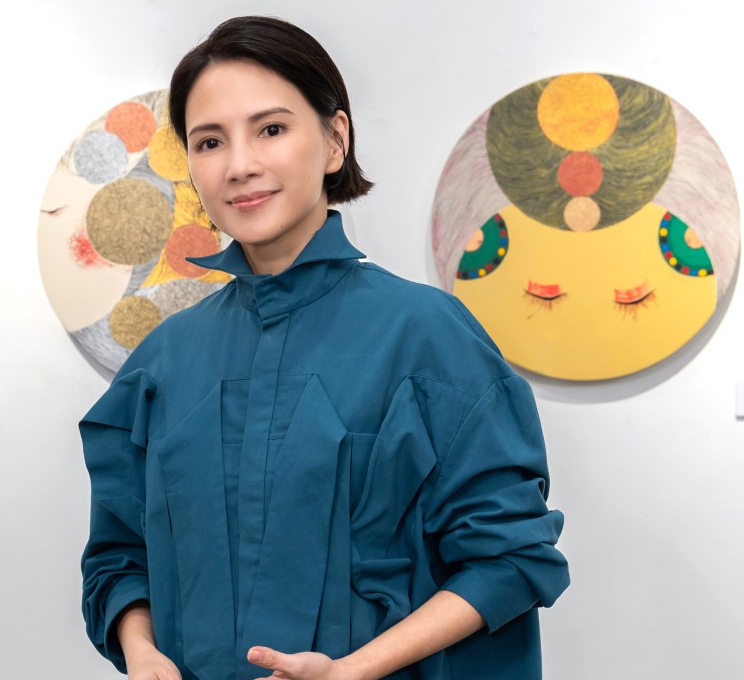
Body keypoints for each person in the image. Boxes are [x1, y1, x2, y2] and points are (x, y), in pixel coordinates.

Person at [80, 16, 569, 680]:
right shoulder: (165, 360)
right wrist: (141, 653)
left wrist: (357, 668)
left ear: (335, 139)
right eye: (210, 141)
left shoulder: (427, 335)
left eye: (271, 129)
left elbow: (511, 559)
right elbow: (119, 558)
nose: (240, 164)